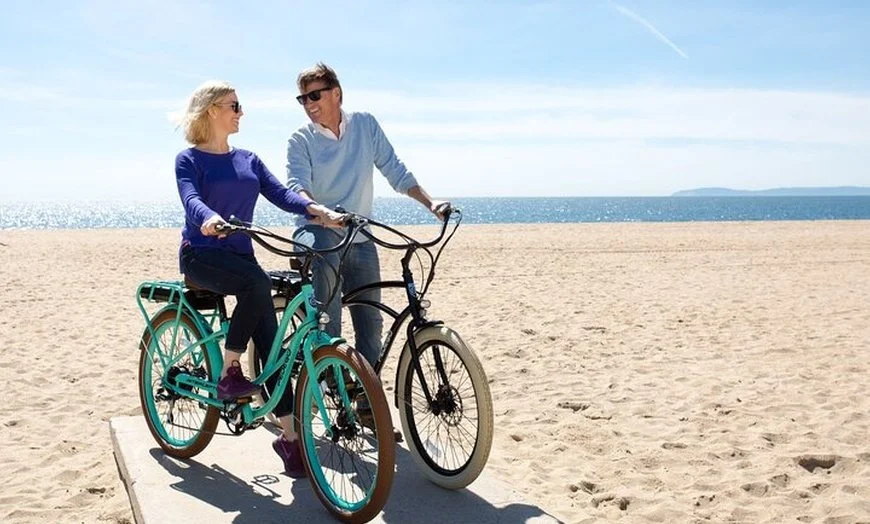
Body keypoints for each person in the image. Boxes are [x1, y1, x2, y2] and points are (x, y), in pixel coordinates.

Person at [174, 80, 343, 477]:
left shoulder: (248, 159)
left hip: (241, 259)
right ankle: (229, 372)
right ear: (212, 109)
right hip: (201, 256)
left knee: (272, 345)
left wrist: (317, 210)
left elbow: (282, 194)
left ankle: (288, 438)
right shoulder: (189, 160)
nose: (240, 111)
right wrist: (209, 219)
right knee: (256, 284)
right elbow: (190, 199)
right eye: (234, 105)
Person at [285, 63, 448, 421]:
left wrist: (431, 203)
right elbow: (298, 187)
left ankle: (365, 404)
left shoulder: (365, 125)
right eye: (303, 98)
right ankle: (329, 389)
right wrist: (323, 213)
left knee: (370, 324)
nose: (309, 104)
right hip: (318, 231)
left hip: (360, 233)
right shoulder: (301, 139)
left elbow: (395, 169)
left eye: (315, 95)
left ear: (336, 93)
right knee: (329, 318)